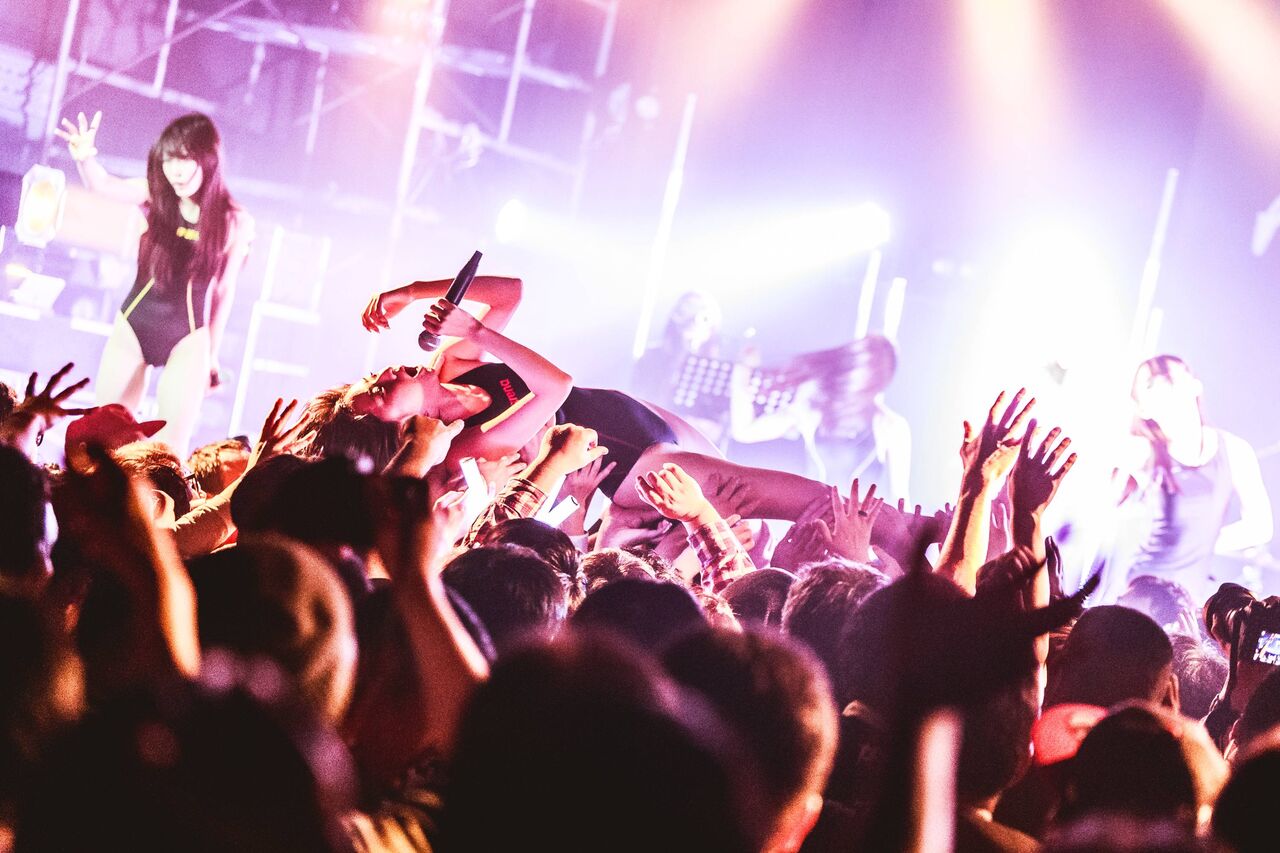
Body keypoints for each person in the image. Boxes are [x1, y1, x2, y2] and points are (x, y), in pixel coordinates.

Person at [332, 277, 853, 529]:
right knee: (774, 500)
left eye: (373, 377)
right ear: (396, 429)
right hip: (625, 462)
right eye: (378, 392)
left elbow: (510, 292)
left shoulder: (453, 363)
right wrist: (475, 330)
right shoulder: (463, 446)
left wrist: (414, 292)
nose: (384, 373)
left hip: (630, 412)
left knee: (749, 511)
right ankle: (893, 533)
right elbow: (556, 387)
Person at [55, 110, 254, 455]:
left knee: (168, 452)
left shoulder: (233, 220)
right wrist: (84, 157)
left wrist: (211, 355)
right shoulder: (154, 194)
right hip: (134, 326)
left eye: (183, 159)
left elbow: (225, 290)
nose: (174, 171)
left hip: (188, 339)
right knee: (101, 439)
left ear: (207, 159)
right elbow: (103, 185)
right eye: (168, 160)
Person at [1113, 355, 1273, 602]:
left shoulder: (1234, 450)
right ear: (1143, 408)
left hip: (1188, 598)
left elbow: (1260, 527)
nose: (1164, 379)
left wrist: (1203, 542)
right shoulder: (1140, 451)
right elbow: (1101, 510)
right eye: (1151, 383)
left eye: (1170, 374)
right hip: (1140, 592)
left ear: (1196, 384)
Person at [729, 335, 911, 501]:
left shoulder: (890, 426)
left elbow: (901, 499)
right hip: (811, 521)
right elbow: (745, 431)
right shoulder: (814, 411)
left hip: (854, 526)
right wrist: (741, 370)